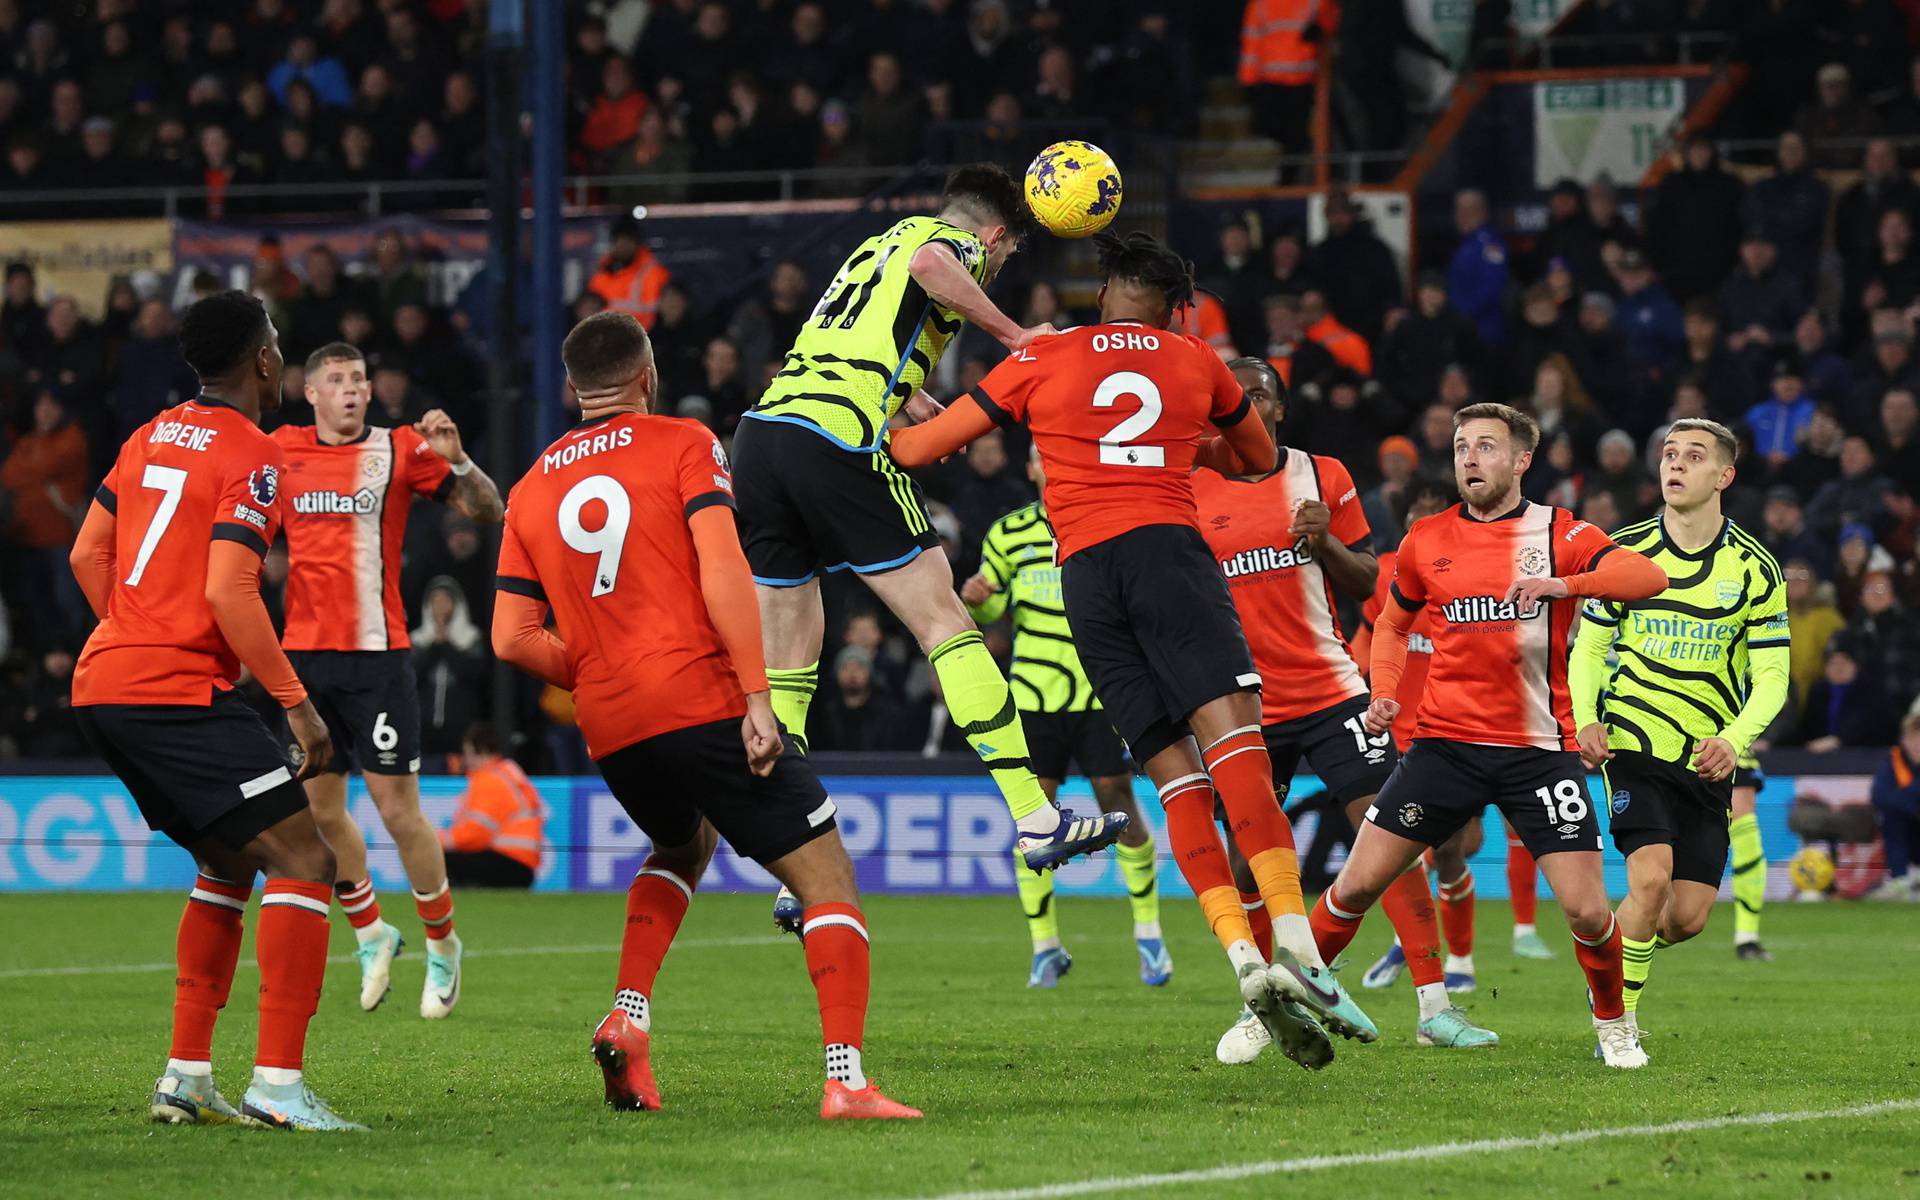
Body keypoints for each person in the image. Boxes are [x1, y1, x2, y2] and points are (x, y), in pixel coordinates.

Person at [892, 230, 1378, 1071]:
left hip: (1085, 577)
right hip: (1168, 557)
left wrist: (907, 405)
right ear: (1176, 307)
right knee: (1236, 753)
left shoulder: (1043, 357)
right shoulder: (1199, 361)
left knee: (1173, 775)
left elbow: (918, 452)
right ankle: (1296, 945)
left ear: (1107, 289)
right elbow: (1257, 457)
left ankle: (1242, 960)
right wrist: (1176, 440)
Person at [491, 311, 917, 1120]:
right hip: (699, 696)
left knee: (682, 845)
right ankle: (845, 1080)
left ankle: (630, 1015)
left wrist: (592, 667)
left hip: (612, 725)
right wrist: (759, 697)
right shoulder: (685, 443)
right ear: (646, 376)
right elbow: (724, 568)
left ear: (572, 387)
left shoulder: (532, 484)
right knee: (827, 877)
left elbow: (510, 637)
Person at [732, 164, 1130, 872]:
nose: (997, 267)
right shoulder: (949, 241)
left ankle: (793, 856)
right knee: (946, 620)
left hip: (763, 439)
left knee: (789, 657)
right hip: (835, 438)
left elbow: (849, 341)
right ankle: (1036, 818)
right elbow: (931, 264)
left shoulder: (869, 248)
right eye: (1005, 255)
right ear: (997, 234)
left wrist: (909, 397)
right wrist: (1014, 335)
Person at [66, 290, 360, 1131]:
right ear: (263, 361)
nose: (281, 356)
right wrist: (298, 708)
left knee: (229, 866)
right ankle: (277, 1085)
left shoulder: (148, 434)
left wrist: (133, 625)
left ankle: (187, 1076)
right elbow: (231, 590)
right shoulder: (257, 455)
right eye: (276, 343)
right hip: (173, 688)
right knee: (308, 862)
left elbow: (91, 550)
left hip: (106, 683)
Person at [1307, 402, 1669, 1070]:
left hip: (1539, 751)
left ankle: (1615, 1023)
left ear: (1521, 460)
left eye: (1486, 447)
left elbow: (1649, 576)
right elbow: (1390, 624)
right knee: (1354, 885)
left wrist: (1566, 584)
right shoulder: (1426, 540)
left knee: (1589, 913)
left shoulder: (1559, 530)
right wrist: (1384, 692)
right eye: (1461, 447)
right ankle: (1274, 1004)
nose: (1470, 459)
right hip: (1444, 747)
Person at [1197, 359, 1495, 1064]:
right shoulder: (1189, 483)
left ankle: (1435, 1006)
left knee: (1387, 842)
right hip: (1243, 704)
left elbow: (1372, 585)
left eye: (1258, 393)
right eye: (1232, 395)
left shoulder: (1322, 475)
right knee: (1246, 869)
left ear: (1277, 411)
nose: (1243, 403)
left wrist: (1323, 539)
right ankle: (1264, 1003)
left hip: (1333, 691)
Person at [272, 342, 504, 1019]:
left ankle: (443, 945)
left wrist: (459, 457)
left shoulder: (401, 448)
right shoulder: (279, 448)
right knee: (318, 813)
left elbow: (488, 510)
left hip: (377, 659)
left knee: (399, 811)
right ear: (309, 392)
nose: (351, 389)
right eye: (337, 380)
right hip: (304, 663)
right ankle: (373, 931)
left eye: (359, 379)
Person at [1569, 419, 1790, 1049]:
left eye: (1695, 457)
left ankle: (1610, 958)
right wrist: (1586, 715)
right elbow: (1589, 647)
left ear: (1724, 476)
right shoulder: (1626, 553)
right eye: (1669, 454)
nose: (1676, 465)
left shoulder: (1755, 568)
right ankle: (1617, 1024)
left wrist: (1736, 736)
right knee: (1649, 877)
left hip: (1709, 757)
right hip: (1634, 739)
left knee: (1685, 919)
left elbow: (1773, 674)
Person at [960, 443, 1167, 991]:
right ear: (1028, 468)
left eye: (1053, 453)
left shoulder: (1103, 522)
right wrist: (976, 598)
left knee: (1117, 799)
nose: (1046, 464)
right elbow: (990, 610)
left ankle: (1148, 934)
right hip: (1031, 695)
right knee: (1036, 816)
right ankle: (1045, 947)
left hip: (1100, 693)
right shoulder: (1008, 534)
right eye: (1036, 457)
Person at [439, 722, 543, 889]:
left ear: (481, 752)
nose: (465, 760)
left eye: (467, 753)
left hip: (508, 862)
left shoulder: (490, 781)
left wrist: (434, 841)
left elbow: (475, 834)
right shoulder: (506, 773)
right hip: (521, 864)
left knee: (436, 858)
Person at [1866, 712, 1920, 900]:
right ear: (1904, 739)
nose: (1917, 744)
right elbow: (1879, 796)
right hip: (1908, 834)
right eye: (1913, 737)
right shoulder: (1894, 760)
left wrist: (1906, 795)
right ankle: (1900, 879)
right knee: (1891, 816)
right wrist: (1913, 806)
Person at [587, 215, 672, 329]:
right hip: (604, 334)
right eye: (619, 241)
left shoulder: (653, 272)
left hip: (641, 336)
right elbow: (590, 305)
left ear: (637, 243)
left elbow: (658, 312)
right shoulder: (602, 271)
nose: (623, 246)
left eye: (628, 241)